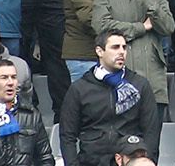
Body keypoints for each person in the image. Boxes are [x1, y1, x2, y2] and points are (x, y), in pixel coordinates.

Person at [90, 0, 174, 140]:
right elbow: (101, 27)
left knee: (151, 146)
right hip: (118, 83)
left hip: (153, 84)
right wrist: (141, 28)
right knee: (120, 145)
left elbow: (168, 27)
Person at [58, 31, 158, 166]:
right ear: (99, 51)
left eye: (124, 47)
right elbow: (67, 135)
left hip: (129, 159)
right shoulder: (79, 89)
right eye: (115, 47)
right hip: (91, 161)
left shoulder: (140, 85)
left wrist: (147, 161)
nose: (122, 52)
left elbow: (151, 132)